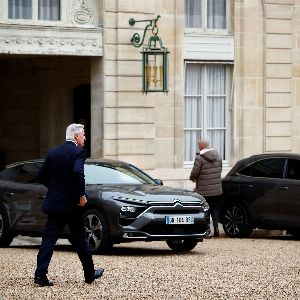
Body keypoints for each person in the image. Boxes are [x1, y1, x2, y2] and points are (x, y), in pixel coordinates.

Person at [34, 123, 104, 286]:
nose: (85, 138)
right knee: (80, 240)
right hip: (72, 206)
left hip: (55, 204)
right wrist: (81, 195)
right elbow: (78, 172)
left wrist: (56, 189)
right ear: (75, 137)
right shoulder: (78, 152)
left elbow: (40, 176)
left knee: (48, 241)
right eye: (83, 135)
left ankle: (40, 275)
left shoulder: (53, 152)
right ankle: (89, 274)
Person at [189, 139, 223, 237]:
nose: (198, 146)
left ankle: (207, 231)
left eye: (198, 145)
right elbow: (219, 170)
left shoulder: (199, 158)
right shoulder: (218, 156)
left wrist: (192, 178)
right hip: (217, 189)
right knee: (215, 209)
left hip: (204, 190)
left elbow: (195, 172)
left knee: (205, 210)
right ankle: (216, 230)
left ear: (201, 146)